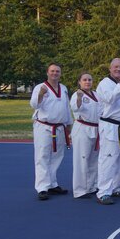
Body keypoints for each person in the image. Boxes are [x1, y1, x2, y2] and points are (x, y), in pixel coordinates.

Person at [30, 63, 73, 201]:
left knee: (57, 156)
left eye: (57, 71)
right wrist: (41, 94)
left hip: (60, 127)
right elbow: (34, 105)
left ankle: (52, 183)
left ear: (60, 73)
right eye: (52, 71)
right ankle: (42, 188)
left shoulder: (64, 88)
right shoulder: (40, 87)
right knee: (42, 156)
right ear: (47, 73)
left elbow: (66, 107)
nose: (55, 73)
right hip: (44, 126)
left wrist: (69, 124)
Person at [96, 58, 120, 205]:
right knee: (108, 159)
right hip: (110, 126)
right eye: (116, 67)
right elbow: (109, 99)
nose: (119, 69)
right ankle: (103, 192)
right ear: (110, 69)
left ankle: (116, 187)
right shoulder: (104, 84)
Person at [69, 72, 100, 199]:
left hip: (96, 129)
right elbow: (75, 108)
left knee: (94, 160)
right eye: (85, 80)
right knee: (81, 160)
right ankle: (80, 190)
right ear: (79, 82)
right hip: (82, 128)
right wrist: (79, 98)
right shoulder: (77, 94)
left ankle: (91, 186)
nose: (87, 82)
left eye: (90, 80)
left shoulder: (97, 95)